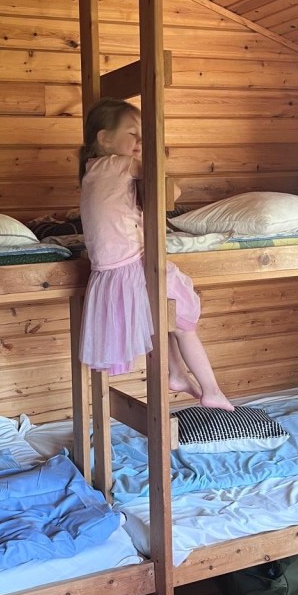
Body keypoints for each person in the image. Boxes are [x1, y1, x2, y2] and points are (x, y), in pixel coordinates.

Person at [78, 97, 234, 410]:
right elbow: (171, 193)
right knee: (185, 323)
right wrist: (156, 158)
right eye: (132, 134)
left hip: (110, 273)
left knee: (166, 318)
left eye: (142, 135)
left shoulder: (91, 170)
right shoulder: (121, 164)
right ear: (104, 139)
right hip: (134, 267)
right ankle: (212, 389)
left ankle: (176, 373)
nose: (140, 141)